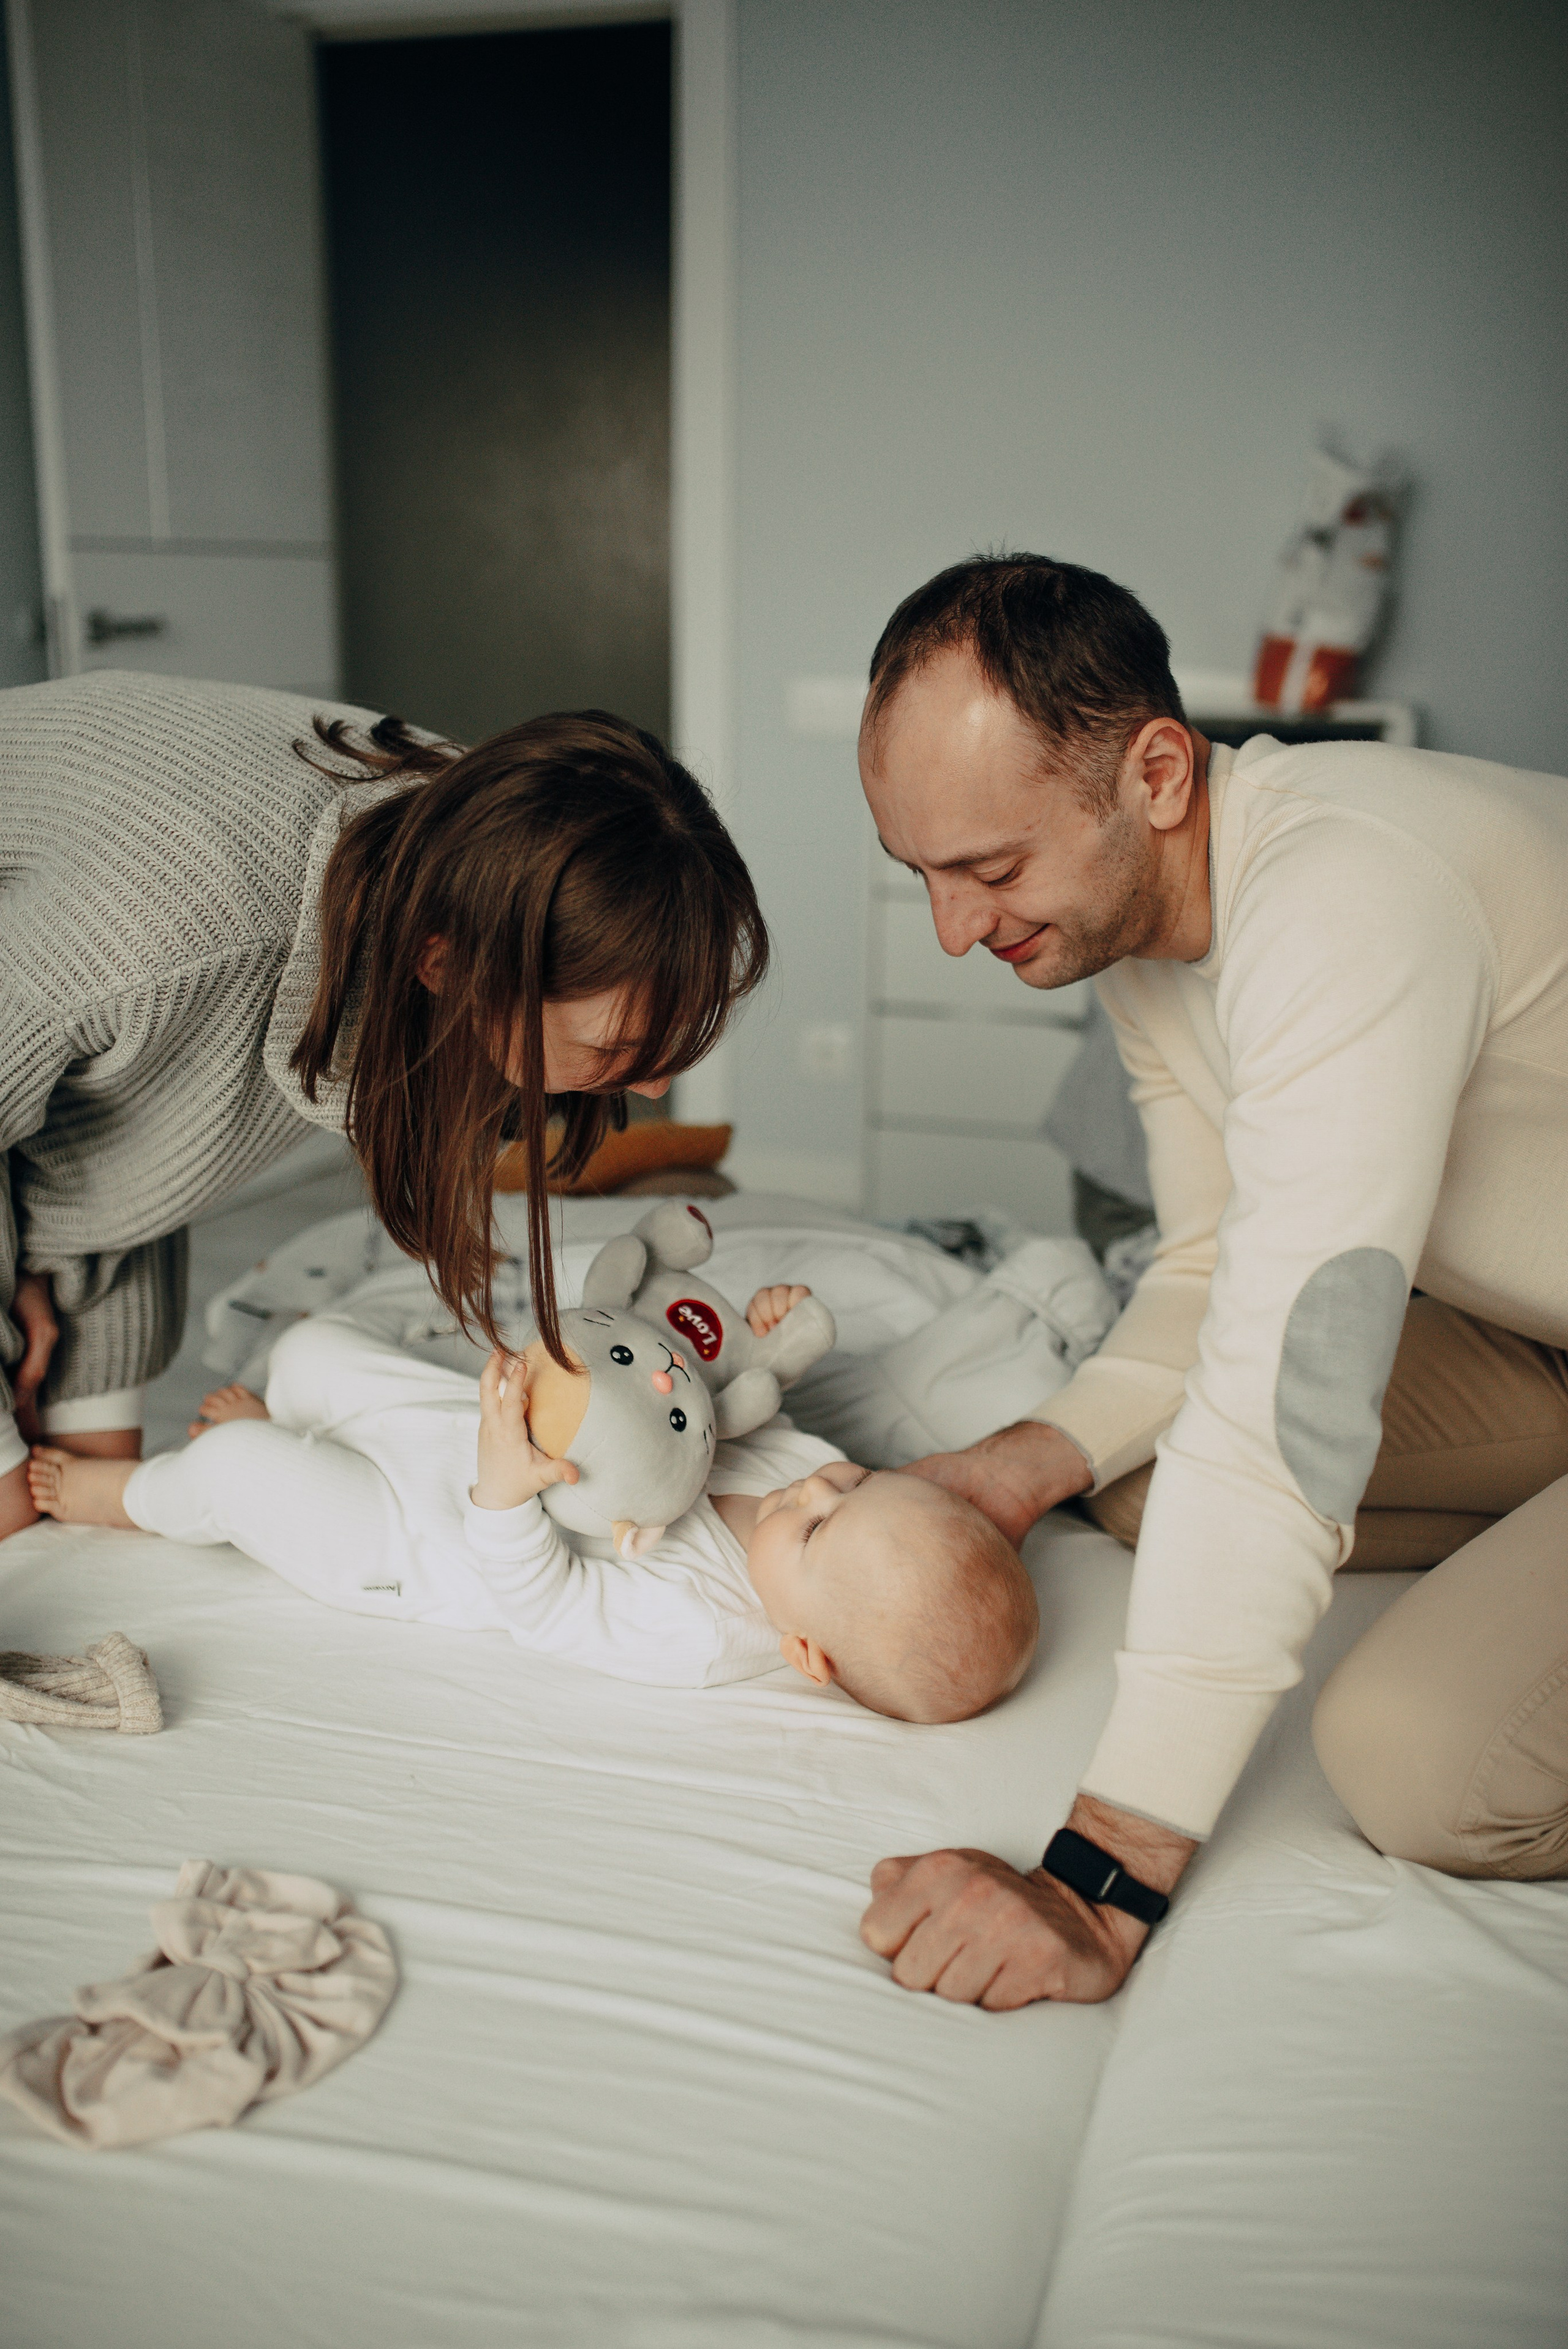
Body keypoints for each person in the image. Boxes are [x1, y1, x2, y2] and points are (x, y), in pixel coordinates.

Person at [853, 552, 1568, 2010]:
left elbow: (1288, 1385)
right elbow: (1203, 1265)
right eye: (921, 875)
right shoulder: (1147, 943)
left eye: (989, 870)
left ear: (1159, 772)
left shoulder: (1346, 896)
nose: (954, 929)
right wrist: (1011, 1468)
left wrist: (1101, 1871)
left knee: (1422, 1765)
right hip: (1539, 1336)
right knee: (1125, 1485)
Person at [0, 669, 766, 1545]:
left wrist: (43, 1265)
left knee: (73, 1527)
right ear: (444, 967)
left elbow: (135, 1131)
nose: (655, 1086)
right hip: (93, 935)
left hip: (69, 1162)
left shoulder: (507, 859)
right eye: (616, 1051)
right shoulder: (171, 935)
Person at [28, 1282, 1038, 1727]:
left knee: (240, 1470)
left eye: (821, 1520)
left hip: (420, 1537)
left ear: (807, 1655)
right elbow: (706, 1412)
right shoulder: (806, 1468)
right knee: (314, 1349)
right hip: (452, 1434)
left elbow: (541, 1604)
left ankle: (131, 1492)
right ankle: (293, 1408)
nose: (818, 1482)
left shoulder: (694, 1630)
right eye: (857, 1481)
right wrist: (756, 1339)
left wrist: (505, 1493)